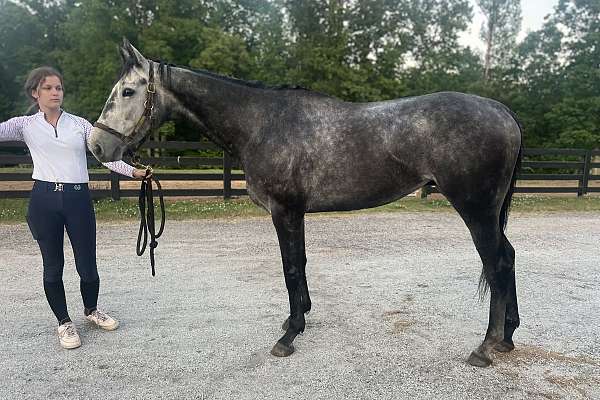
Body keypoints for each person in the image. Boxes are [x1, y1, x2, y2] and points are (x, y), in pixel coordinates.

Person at [0, 66, 148, 349]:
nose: (55, 92)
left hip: (77, 199)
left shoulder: (79, 124)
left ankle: (91, 310)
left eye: (59, 88)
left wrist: (133, 172)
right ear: (35, 93)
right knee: (53, 266)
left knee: (87, 265)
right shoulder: (24, 125)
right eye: (48, 88)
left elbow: (104, 155)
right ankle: (64, 322)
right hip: (44, 199)